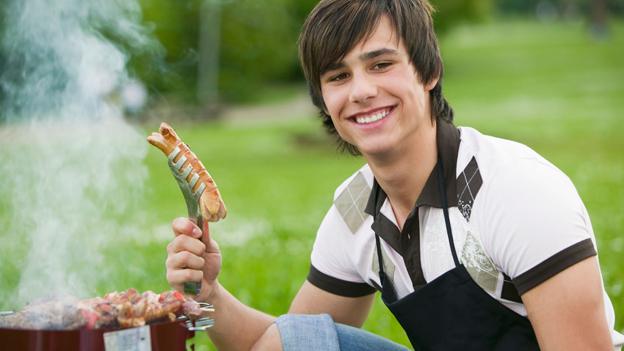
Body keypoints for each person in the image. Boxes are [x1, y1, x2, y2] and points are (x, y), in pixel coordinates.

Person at [165, 0, 624, 350]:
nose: (362, 91)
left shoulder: (514, 189)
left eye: (381, 65)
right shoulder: (354, 212)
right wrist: (208, 297)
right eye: (338, 76)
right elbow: (283, 343)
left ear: (428, 73)